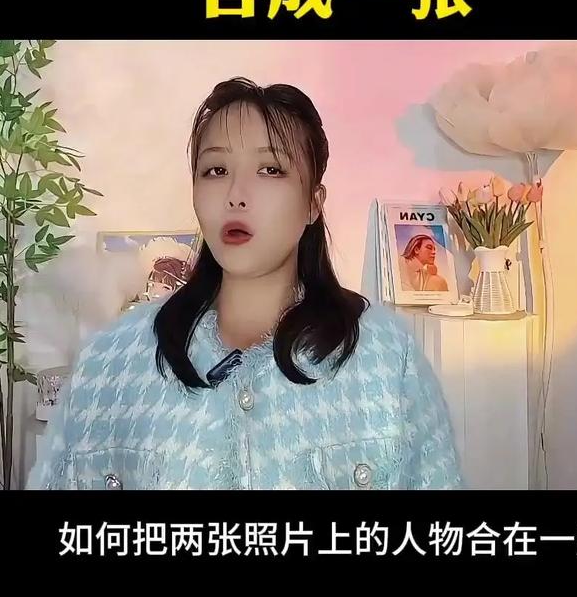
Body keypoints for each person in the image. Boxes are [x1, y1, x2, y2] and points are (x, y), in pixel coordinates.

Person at [26, 77, 466, 490]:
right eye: (215, 170)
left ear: (313, 203)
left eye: (270, 169)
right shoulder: (110, 362)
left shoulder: (386, 356)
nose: (235, 194)